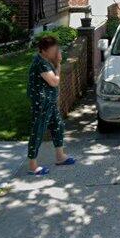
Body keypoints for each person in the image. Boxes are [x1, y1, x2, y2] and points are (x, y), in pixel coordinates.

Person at [27, 35, 75, 176]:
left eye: (56, 50)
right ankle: (32, 166)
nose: (55, 53)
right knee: (38, 131)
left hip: (50, 102)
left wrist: (56, 62)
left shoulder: (46, 60)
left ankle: (60, 156)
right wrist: (59, 65)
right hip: (42, 103)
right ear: (43, 50)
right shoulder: (40, 63)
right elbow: (54, 81)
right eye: (53, 50)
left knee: (58, 126)